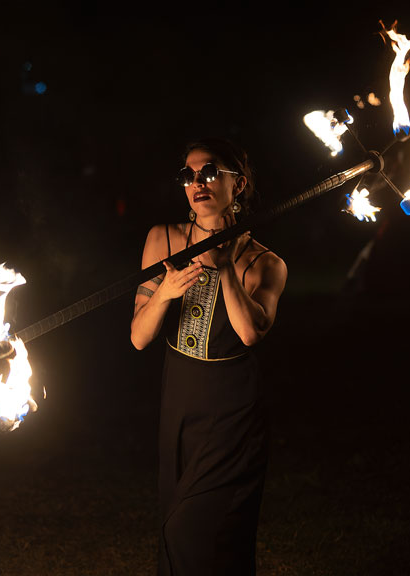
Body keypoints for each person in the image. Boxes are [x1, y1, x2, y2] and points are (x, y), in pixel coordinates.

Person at [130, 137, 287, 575]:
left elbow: (251, 333)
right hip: (179, 397)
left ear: (238, 185)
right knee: (175, 525)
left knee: (200, 531)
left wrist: (223, 268)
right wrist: (164, 291)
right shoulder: (162, 239)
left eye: (211, 172)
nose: (198, 182)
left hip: (232, 409)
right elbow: (139, 338)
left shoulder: (265, 263)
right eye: (189, 175)